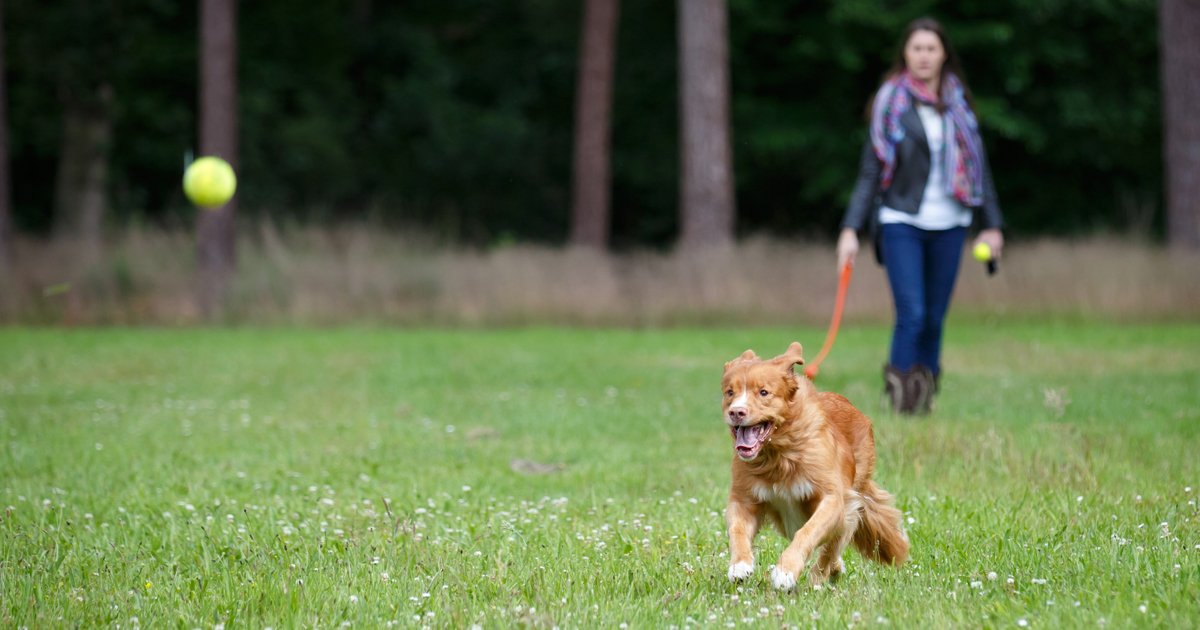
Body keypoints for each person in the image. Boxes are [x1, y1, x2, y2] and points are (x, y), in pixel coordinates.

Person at [837, 17, 1004, 415]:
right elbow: (870, 172)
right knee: (911, 313)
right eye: (917, 48)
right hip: (901, 220)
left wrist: (992, 226)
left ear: (944, 53)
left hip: (951, 223)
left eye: (932, 48)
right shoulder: (890, 103)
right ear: (905, 54)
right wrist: (850, 229)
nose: (924, 56)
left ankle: (923, 402)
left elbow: (980, 172)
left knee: (934, 317)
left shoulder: (959, 104)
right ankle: (901, 403)